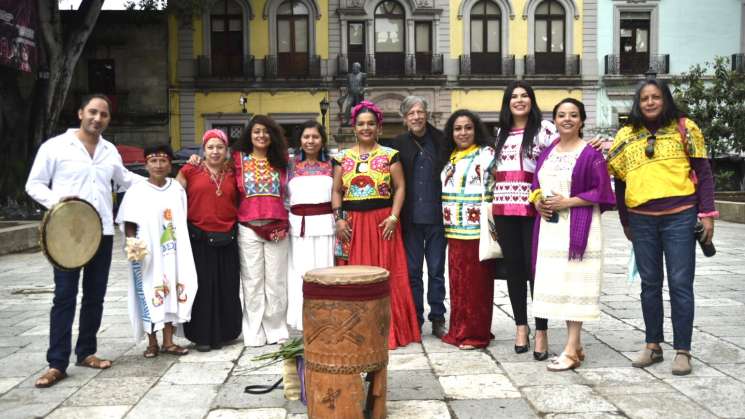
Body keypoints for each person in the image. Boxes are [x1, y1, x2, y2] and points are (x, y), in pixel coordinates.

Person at [26, 94, 143, 388]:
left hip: (101, 233)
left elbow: (125, 180)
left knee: (95, 296)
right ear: (80, 113)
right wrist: (57, 200)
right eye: (93, 112)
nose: (97, 118)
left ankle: (86, 352)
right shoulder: (55, 147)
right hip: (65, 234)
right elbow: (34, 184)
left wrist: (164, 182)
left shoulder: (109, 150)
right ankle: (57, 363)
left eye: (103, 114)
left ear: (108, 119)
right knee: (64, 297)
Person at [607, 79, 716, 376]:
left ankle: (683, 350)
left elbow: (703, 173)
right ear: (638, 104)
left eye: (656, 97)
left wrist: (707, 214)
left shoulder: (685, 127)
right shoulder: (626, 135)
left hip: (680, 216)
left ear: (665, 100)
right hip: (641, 220)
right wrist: (625, 221)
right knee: (649, 285)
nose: (651, 102)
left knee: (681, 284)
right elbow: (620, 181)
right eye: (645, 98)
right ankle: (653, 345)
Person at [530, 98, 615, 371]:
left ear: (581, 121)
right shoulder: (548, 151)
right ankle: (575, 345)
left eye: (573, 115)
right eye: (561, 115)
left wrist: (568, 202)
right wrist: (537, 202)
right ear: (554, 120)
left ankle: (570, 349)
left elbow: (602, 192)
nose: (567, 119)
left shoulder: (590, 153)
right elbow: (535, 184)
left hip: (580, 230)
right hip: (550, 230)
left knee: (577, 285)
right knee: (562, 287)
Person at [332, 100, 421, 349]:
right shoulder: (342, 158)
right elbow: (336, 190)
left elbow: (400, 187)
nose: (366, 128)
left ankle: (389, 330)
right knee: (356, 276)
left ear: (379, 127)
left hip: (383, 222)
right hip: (353, 223)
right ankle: (356, 329)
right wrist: (338, 218)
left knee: (387, 274)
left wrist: (394, 217)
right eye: (361, 124)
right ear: (354, 127)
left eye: (371, 123)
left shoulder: (389, 155)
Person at [491, 81, 556, 359]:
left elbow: (554, 165)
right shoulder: (500, 133)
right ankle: (521, 326)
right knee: (514, 270)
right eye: (513, 97)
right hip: (504, 208)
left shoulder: (546, 129)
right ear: (507, 103)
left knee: (536, 272)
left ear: (532, 100)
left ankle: (541, 330)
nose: (519, 100)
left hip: (533, 208)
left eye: (524, 96)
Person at [117, 144, 197, 357]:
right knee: (149, 291)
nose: (158, 165)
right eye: (154, 161)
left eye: (163, 161)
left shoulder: (177, 189)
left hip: (172, 250)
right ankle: (151, 342)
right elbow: (129, 222)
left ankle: (169, 342)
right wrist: (133, 243)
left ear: (170, 164)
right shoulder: (136, 191)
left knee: (171, 291)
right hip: (146, 252)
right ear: (146, 164)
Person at [383, 96, 449, 338]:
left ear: (427, 114)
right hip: (410, 220)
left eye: (420, 111)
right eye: (411, 113)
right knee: (412, 272)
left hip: (437, 218)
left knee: (436, 270)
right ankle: (416, 318)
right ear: (404, 118)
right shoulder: (398, 144)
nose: (416, 116)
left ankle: (438, 317)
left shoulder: (442, 140)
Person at [176, 129, 242, 352]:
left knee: (227, 286)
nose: (215, 151)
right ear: (203, 150)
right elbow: (173, 196)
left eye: (220, 147)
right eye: (210, 147)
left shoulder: (234, 171)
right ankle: (202, 335)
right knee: (203, 287)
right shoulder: (190, 169)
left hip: (228, 237)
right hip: (199, 238)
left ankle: (225, 333)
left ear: (226, 150)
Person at [440, 109, 497, 349]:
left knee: (477, 285)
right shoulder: (451, 156)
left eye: (468, 128)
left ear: (476, 130)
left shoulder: (487, 154)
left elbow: (496, 186)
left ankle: (476, 334)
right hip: (453, 230)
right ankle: (459, 328)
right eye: (457, 128)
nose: (463, 133)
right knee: (458, 283)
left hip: (477, 230)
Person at [234, 115, 291, 346]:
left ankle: (276, 328)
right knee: (252, 280)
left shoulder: (282, 161)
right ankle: (253, 330)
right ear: (249, 134)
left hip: (277, 226)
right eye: (256, 131)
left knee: (276, 280)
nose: (261, 136)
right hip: (248, 226)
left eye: (266, 132)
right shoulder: (238, 159)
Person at [286, 120, 335, 331]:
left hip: (325, 225)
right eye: (306, 137)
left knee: (325, 271)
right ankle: (303, 318)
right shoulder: (290, 166)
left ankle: (328, 316)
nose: (310, 141)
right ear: (300, 140)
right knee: (301, 272)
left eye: (315, 137)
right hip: (299, 228)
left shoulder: (333, 164)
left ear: (322, 140)